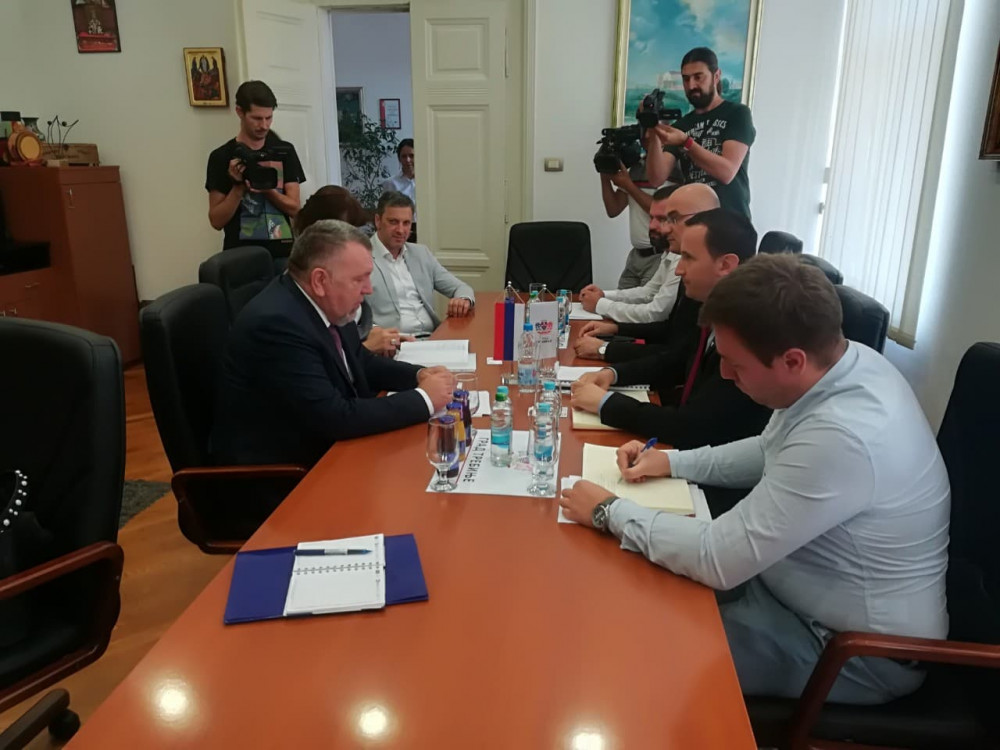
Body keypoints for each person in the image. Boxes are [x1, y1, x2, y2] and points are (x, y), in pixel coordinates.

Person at [560, 254, 951, 706]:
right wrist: (672, 463)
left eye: (735, 364)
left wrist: (607, 511)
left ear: (792, 360)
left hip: (848, 651)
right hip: (781, 590)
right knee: (618, 594)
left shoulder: (845, 435)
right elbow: (769, 448)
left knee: (633, 651)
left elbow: (717, 558)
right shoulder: (844, 363)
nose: (725, 375)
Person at [210, 220, 457, 468]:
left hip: (329, 448)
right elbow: (335, 417)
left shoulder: (328, 303)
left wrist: (418, 375)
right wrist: (424, 399)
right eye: (359, 279)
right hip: (286, 472)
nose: (368, 289)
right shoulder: (277, 324)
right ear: (320, 280)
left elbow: (361, 361)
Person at [571, 208, 770, 455]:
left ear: (725, 265)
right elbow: (677, 360)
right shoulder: (715, 308)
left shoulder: (748, 333)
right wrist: (612, 374)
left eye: (688, 258)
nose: (678, 270)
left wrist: (606, 403)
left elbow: (692, 426)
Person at [577, 183, 719, 326]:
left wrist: (600, 304)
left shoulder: (682, 255)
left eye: (667, 219)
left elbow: (657, 312)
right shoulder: (672, 250)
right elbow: (650, 291)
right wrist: (604, 296)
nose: (654, 226)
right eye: (651, 218)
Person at [295, 185, 410, 358]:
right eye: (348, 232)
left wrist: (419, 372)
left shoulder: (338, 286)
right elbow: (332, 362)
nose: (367, 289)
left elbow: (355, 335)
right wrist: (368, 347)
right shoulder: (293, 312)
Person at [644, 48, 755, 218]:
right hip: (692, 223)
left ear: (716, 76)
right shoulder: (682, 125)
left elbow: (726, 172)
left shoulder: (737, 113)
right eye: (686, 79)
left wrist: (686, 143)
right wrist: (653, 130)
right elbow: (656, 178)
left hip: (731, 222)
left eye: (698, 77)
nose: (691, 85)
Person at [206, 80, 305, 263]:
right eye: (257, 118)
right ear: (240, 112)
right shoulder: (221, 157)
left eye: (269, 118)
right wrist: (238, 187)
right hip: (239, 257)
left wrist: (267, 190)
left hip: (281, 254)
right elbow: (216, 221)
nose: (264, 126)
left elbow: (295, 209)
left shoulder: (284, 151)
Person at [367, 191, 475, 334]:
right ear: (378, 221)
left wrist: (462, 299)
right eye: (393, 222)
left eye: (406, 223)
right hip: (392, 341)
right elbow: (352, 316)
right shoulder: (361, 257)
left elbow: (461, 287)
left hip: (432, 337)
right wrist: (375, 332)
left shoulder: (421, 254)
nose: (401, 230)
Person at [600, 160, 669, 289]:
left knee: (645, 299)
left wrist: (628, 185)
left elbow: (662, 211)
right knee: (620, 299)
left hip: (658, 254)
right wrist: (604, 175)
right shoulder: (635, 169)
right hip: (636, 255)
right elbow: (613, 209)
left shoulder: (669, 168)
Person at [382, 139, 417, 241]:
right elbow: (386, 210)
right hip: (401, 229)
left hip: (425, 228)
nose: (408, 160)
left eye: (411, 156)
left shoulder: (428, 182)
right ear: (399, 159)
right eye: (404, 156)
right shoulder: (391, 183)